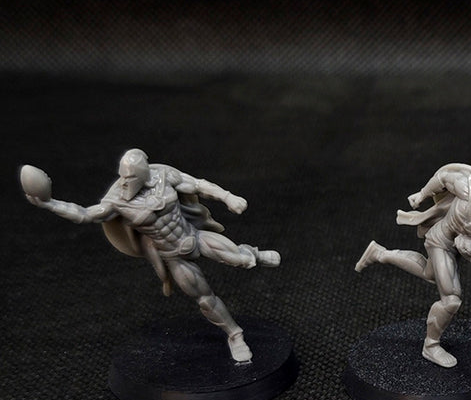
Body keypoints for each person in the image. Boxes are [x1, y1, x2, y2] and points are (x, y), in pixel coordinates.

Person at [22, 149, 280, 362]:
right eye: (122, 176)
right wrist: (50, 204)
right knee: (204, 299)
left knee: (240, 259)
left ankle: (255, 254)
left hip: (194, 236)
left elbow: (198, 185)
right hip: (173, 255)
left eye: (130, 176)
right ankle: (235, 335)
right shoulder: (117, 200)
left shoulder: (163, 176)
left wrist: (227, 196)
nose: (124, 181)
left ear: (143, 173)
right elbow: (84, 214)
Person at [355, 163, 471, 368]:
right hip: (441, 239)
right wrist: (422, 194)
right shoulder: (469, 188)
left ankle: (380, 254)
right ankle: (431, 346)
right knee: (451, 299)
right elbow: (444, 177)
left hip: (456, 248)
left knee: (429, 273)